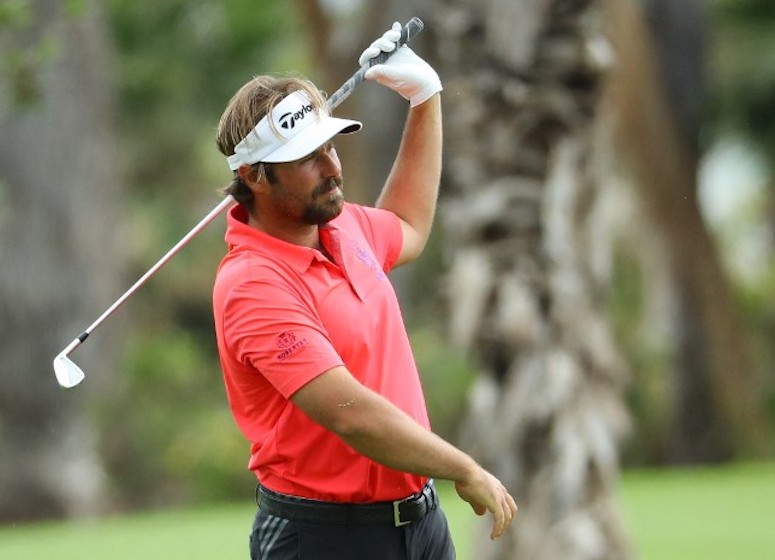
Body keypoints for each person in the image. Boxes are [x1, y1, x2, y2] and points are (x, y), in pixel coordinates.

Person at [212, 22, 517, 560]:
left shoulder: (341, 226)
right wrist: (463, 468)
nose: (333, 168)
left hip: (419, 523)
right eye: (309, 158)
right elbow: (350, 414)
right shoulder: (252, 285)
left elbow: (409, 225)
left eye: (331, 146)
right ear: (256, 176)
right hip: (324, 538)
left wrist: (425, 99)